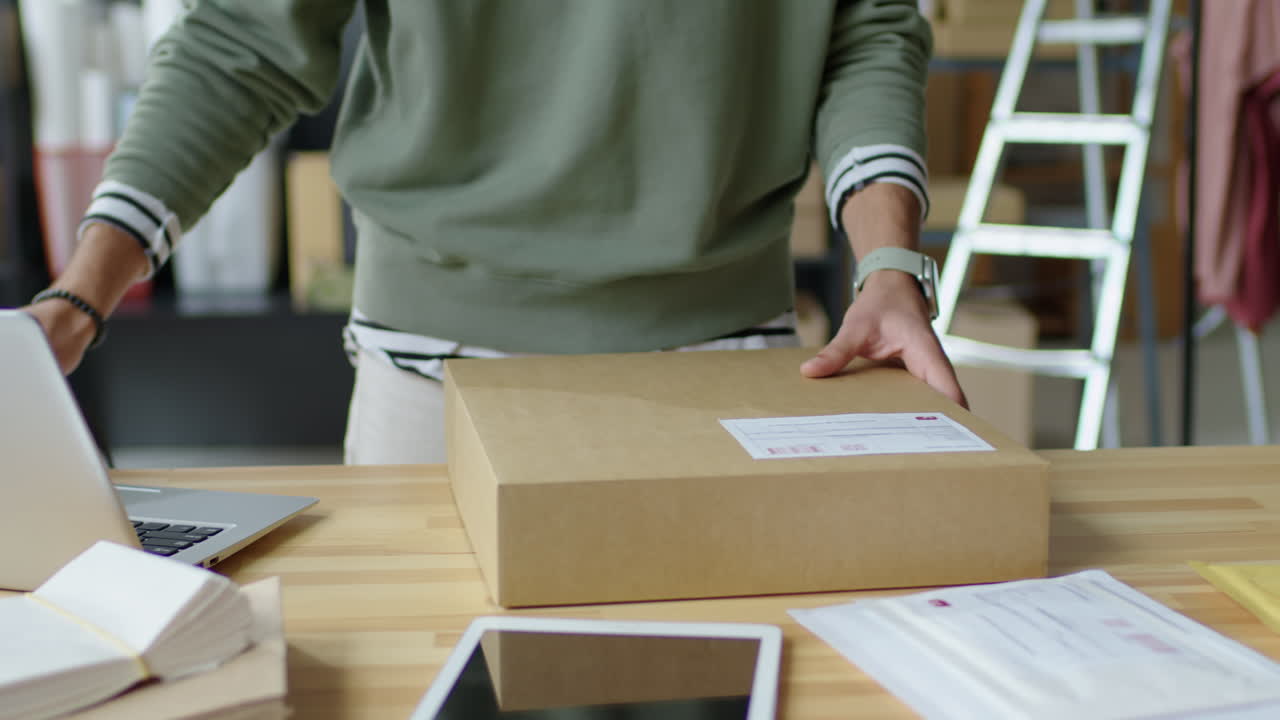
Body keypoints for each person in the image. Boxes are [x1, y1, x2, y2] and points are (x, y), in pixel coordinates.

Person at [23, 0, 965, 465]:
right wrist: (78, 298)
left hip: (720, 370)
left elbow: (866, 28)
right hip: (432, 387)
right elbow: (242, 44)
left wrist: (888, 264)